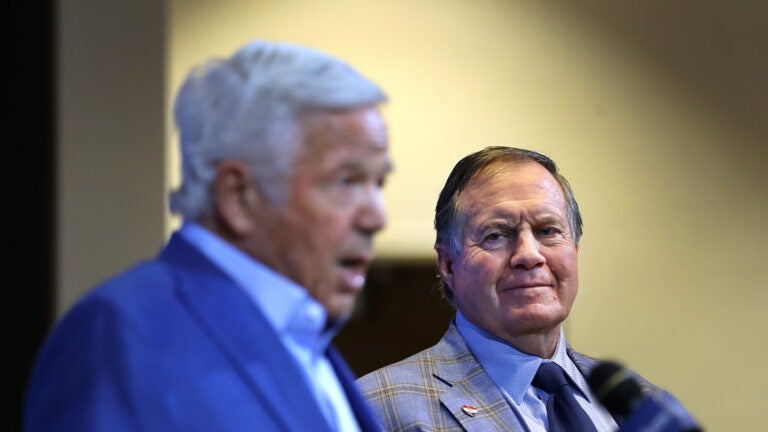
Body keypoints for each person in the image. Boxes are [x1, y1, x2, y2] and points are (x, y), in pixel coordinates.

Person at [25, 40, 392, 432]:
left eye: (379, 182)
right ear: (238, 196)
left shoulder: (303, 336)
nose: (376, 217)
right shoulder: (122, 334)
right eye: (346, 181)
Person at [357, 147, 692, 431]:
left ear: (574, 250)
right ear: (448, 266)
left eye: (547, 230)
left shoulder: (646, 407)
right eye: (496, 235)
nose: (529, 255)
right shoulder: (373, 411)